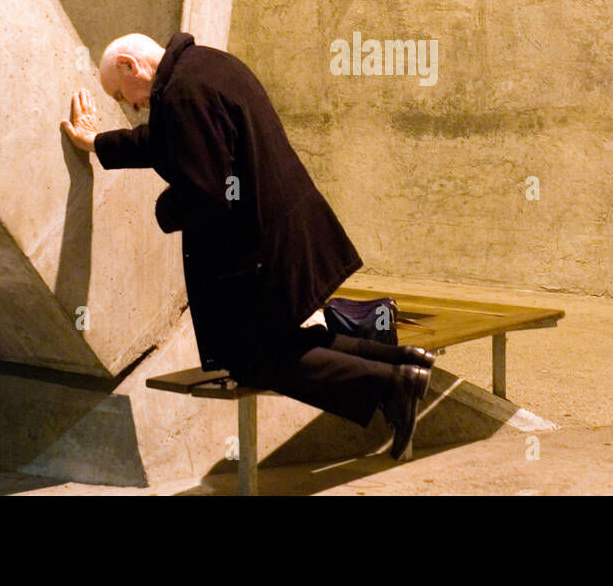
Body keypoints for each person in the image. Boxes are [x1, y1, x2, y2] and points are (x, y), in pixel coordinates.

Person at [61, 31, 433, 459]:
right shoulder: (204, 67)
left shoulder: (183, 94)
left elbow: (208, 192)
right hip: (282, 234)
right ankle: (404, 364)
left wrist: (163, 211)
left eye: (121, 95)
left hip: (260, 251)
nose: (132, 106)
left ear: (130, 65)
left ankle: (393, 383)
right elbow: (175, 144)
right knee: (281, 344)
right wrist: (100, 143)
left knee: (254, 360)